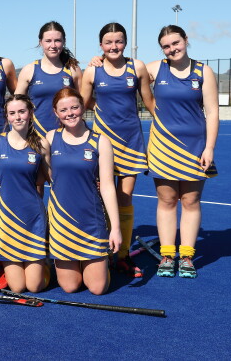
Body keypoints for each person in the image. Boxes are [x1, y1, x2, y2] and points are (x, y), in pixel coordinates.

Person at [79, 22, 154, 278]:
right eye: (108, 42)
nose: (114, 46)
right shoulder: (92, 71)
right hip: (103, 144)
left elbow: (150, 101)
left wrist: (172, 127)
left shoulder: (137, 67)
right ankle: (100, 253)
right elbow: (82, 105)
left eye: (119, 41)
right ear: (100, 45)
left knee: (124, 198)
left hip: (131, 142)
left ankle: (121, 256)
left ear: (126, 43)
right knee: (102, 199)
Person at [146, 25, 218, 279]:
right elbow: (123, 72)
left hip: (194, 147)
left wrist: (209, 147)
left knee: (190, 201)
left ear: (186, 40)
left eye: (176, 43)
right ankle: (167, 255)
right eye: (166, 46)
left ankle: (186, 256)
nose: (172, 49)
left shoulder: (203, 71)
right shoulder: (155, 69)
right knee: (166, 201)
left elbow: (212, 112)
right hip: (162, 146)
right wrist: (99, 60)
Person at [45, 87, 121, 295]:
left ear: (83, 107)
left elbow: (107, 186)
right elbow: (35, 172)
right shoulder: (50, 138)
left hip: (91, 222)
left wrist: (115, 228)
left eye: (74, 107)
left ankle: (102, 263)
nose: (70, 113)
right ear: (56, 113)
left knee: (97, 288)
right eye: (63, 110)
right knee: (70, 287)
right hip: (61, 222)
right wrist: (0, 182)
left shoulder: (100, 141)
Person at [0, 94, 50, 293]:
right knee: (18, 287)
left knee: (34, 287)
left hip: (33, 217)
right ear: (7, 116)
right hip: (6, 219)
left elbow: (48, 179)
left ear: (30, 113)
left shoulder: (41, 144)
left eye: (22, 111)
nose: (18, 117)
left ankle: (47, 267)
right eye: (12, 113)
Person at [15, 21, 82, 137]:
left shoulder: (73, 69)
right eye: (48, 41)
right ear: (40, 42)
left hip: (67, 136)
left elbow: (83, 102)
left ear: (64, 42)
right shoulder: (29, 70)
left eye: (57, 40)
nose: (53, 45)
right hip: (36, 136)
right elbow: (16, 105)